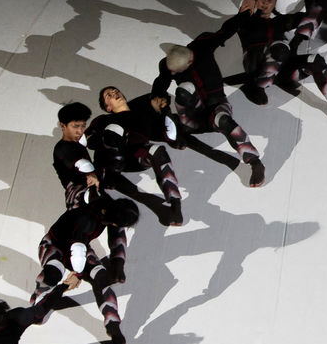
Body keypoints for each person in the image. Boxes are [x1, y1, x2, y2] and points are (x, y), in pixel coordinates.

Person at [213, 0, 327, 123]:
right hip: (256, 66)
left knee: (315, 60)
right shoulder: (246, 22)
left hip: (281, 72)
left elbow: (310, 15)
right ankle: (258, 86)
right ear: (256, 0)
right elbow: (229, 27)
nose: (265, 2)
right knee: (281, 47)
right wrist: (245, 6)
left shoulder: (281, 21)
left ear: (274, 3)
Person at [151, 42, 266, 187]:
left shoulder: (202, 49)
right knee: (183, 90)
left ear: (189, 61)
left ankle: (255, 162)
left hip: (216, 108)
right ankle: (182, 128)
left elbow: (224, 32)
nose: (173, 74)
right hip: (192, 116)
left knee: (223, 120)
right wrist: (158, 101)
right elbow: (160, 85)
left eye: (176, 71)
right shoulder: (166, 66)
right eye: (171, 70)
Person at [31, 197, 139, 344]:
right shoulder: (87, 221)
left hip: (79, 246)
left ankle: (112, 322)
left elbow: (116, 236)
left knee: (101, 277)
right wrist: (78, 275)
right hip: (53, 246)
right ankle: (38, 302)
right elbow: (78, 253)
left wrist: (118, 262)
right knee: (54, 272)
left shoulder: (107, 206)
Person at [87, 86, 184, 225]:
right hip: (111, 158)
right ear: (107, 107)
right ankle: (110, 174)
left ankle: (175, 204)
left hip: (134, 156)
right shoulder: (104, 119)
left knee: (157, 150)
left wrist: (163, 108)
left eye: (116, 91)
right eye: (109, 95)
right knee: (114, 130)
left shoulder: (142, 114)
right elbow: (88, 140)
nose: (114, 94)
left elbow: (163, 123)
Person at [53, 101, 100, 209]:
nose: (80, 131)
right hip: (77, 196)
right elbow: (83, 164)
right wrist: (92, 175)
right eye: (75, 126)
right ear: (62, 125)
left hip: (90, 188)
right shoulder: (61, 148)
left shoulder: (78, 142)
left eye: (83, 126)